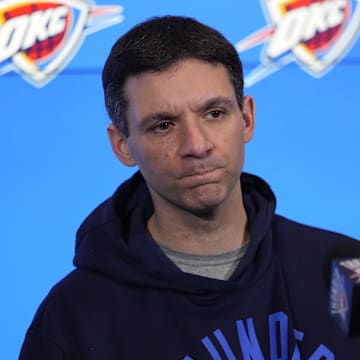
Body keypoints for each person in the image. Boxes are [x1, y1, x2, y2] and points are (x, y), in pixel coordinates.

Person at [20, 16, 360, 359]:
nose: (196, 145)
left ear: (246, 119)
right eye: (163, 125)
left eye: (214, 113)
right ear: (122, 144)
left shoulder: (345, 271)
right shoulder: (72, 319)